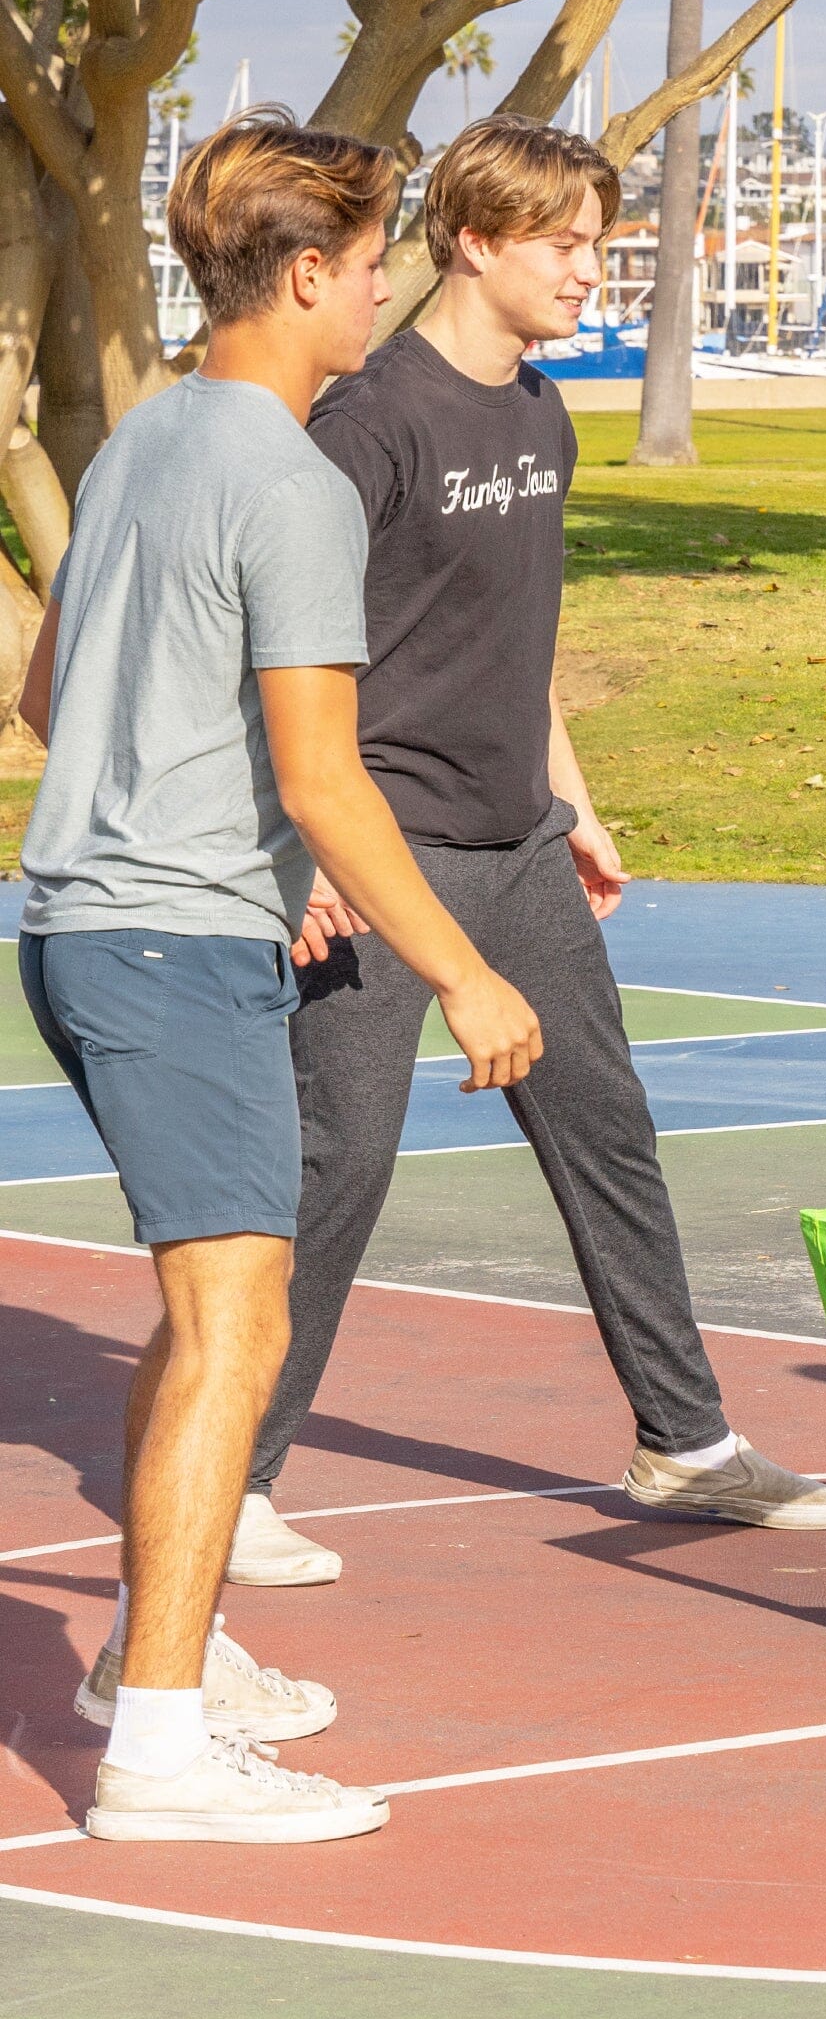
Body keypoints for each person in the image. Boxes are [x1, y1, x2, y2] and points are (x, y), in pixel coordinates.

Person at [232, 114, 826, 1593]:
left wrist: (573, 799)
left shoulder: (542, 414)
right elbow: (271, 653)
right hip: (381, 851)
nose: (589, 270)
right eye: (565, 244)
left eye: (597, 243)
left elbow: (524, 636)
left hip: (518, 846)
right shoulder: (368, 422)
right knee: (339, 1164)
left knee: (607, 1132)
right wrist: (291, 858)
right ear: (475, 241)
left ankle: (685, 1443)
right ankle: (236, 1477)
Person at [19, 112, 542, 1843]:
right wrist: (464, 972)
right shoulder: (299, 483)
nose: (385, 293)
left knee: (208, 1325)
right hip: (170, 948)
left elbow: (47, 699)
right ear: (308, 275)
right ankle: (157, 1761)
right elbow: (329, 780)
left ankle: (146, 1667)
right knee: (237, 1331)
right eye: (376, 265)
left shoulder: (147, 436)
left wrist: (225, 830)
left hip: (84, 929)